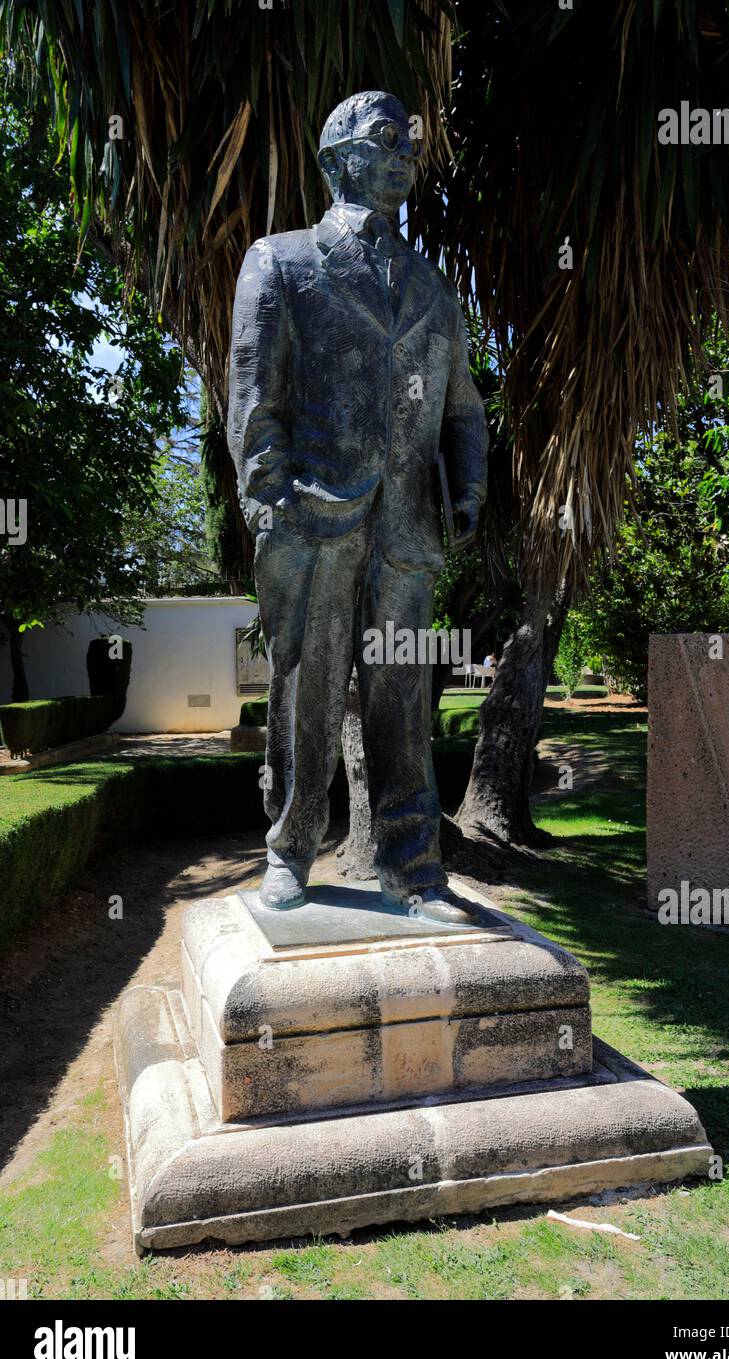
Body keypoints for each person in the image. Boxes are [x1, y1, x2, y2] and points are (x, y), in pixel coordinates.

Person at [227, 91, 488, 925]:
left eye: (409, 146)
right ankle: (290, 851)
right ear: (336, 157)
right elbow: (253, 402)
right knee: (305, 695)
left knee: (404, 700)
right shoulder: (283, 261)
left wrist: (470, 484)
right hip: (314, 517)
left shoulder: (432, 288)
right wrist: (271, 506)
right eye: (384, 142)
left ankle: (414, 871)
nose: (403, 157)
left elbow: (463, 408)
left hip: (406, 531)